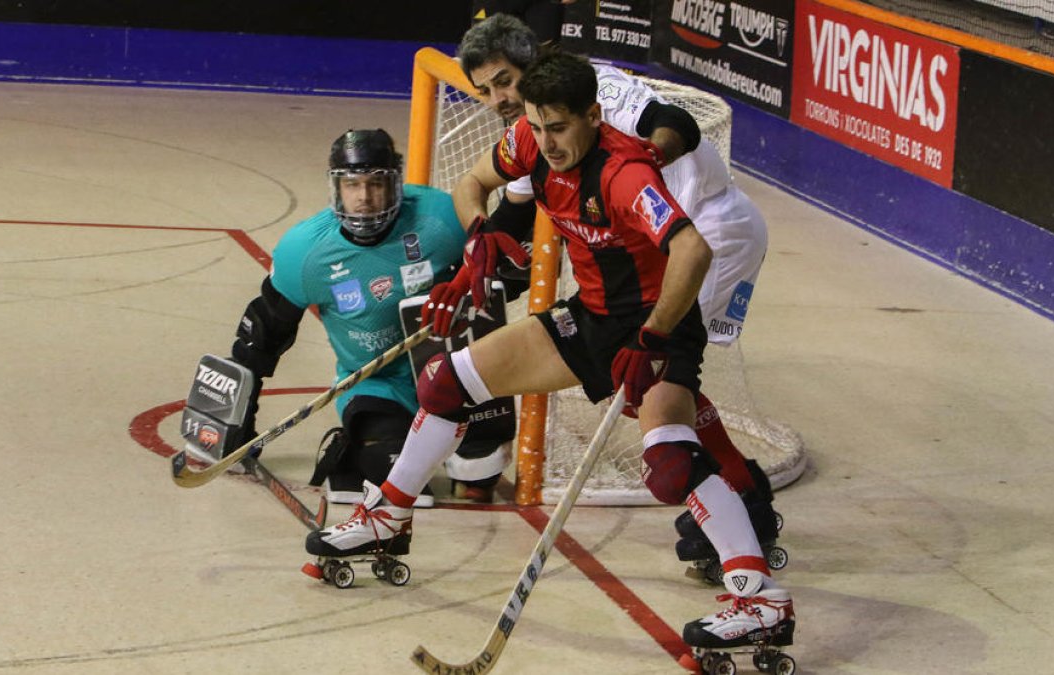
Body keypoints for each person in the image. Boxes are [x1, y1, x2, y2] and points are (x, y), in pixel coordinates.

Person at [304, 52, 795, 653]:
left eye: (558, 128)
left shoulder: (624, 173)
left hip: (655, 325)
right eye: (537, 127)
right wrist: (480, 233)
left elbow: (692, 251)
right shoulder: (528, 143)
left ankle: (760, 597)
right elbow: (471, 184)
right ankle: (388, 517)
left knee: (670, 465)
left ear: (592, 115)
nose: (547, 143)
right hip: (589, 318)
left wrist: (655, 337)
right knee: (444, 381)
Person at [457, 13, 780, 566]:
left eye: (505, 81)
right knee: (655, 384)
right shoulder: (540, 126)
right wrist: (478, 245)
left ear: (535, 60)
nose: (497, 99)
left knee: (657, 372)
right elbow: (508, 205)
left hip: (706, 232)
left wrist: (645, 158)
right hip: (657, 250)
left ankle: (744, 509)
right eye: (485, 90)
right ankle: (735, 492)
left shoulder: (594, 93)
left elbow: (675, 119)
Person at [208, 129, 510, 506]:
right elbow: (262, 337)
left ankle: (459, 448)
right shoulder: (305, 251)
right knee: (396, 475)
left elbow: (503, 269)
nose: (364, 198)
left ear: (396, 184)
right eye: (352, 185)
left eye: (375, 183)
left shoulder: (443, 217)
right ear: (336, 188)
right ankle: (348, 448)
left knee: (482, 469)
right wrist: (238, 424)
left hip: (454, 376)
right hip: (378, 386)